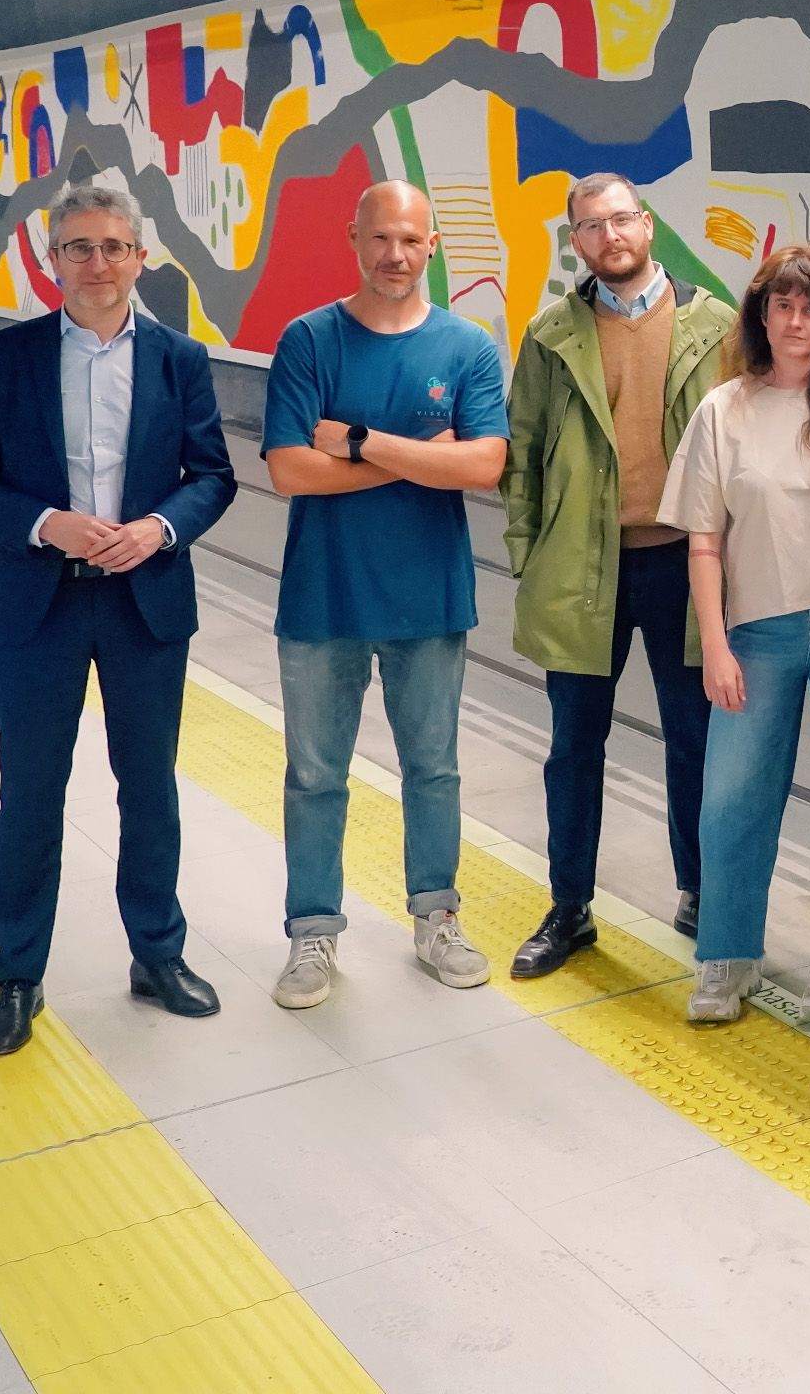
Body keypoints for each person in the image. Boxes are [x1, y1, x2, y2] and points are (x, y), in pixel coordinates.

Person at [0, 181, 237, 1058]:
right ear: (51, 260)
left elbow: (213, 475)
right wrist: (45, 523)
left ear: (141, 257)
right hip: (40, 604)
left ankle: (157, 954)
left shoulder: (181, 359)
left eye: (114, 247)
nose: (98, 264)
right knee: (30, 792)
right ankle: (19, 974)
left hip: (144, 603)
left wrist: (159, 528)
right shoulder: (6, 359)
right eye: (79, 248)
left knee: (149, 788)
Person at [260, 180, 509, 1008]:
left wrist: (361, 443)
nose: (395, 256)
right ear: (354, 239)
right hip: (322, 597)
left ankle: (435, 916)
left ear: (431, 245)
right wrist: (417, 458)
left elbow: (481, 466)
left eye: (410, 240)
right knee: (314, 774)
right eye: (380, 239)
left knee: (433, 768)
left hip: (429, 597)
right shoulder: (308, 340)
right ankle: (313, 934)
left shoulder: (467, 347)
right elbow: (290, 471)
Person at [658, 244, 810, 1028]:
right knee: (732, 798)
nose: (795, 322)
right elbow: (703, 538)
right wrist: (716, 645)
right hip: (757, 633)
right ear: (760, 314)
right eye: (781, 305)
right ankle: (726, 954)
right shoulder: (722, 410)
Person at [500, 173, 736, 977]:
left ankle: (703, 892)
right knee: (574, 747)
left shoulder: (718, 328)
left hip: (687, 563)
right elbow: (522, 452)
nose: (610, 236)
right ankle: (570, 908)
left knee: (696, 740)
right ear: (576, 242)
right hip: (584, 565)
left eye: (622, 219)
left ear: (649, 224)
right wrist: (529, 556)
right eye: (591, 226)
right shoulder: (550, 335)